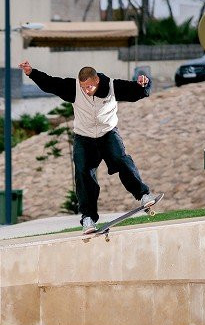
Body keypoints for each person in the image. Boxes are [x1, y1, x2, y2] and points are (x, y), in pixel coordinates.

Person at [20, 60, 157, 233]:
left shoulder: (112, 86)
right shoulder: (73, 88)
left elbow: (136, 92)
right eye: (83, 87)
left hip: (108, 134)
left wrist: (144, 84)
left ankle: (144, 195)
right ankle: (88, 218)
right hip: (84, 138)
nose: (86, 90)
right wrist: (31, 72)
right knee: (83, 172)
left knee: (120, 160)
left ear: (97, 81)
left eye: (89, 87)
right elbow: (51, 83)